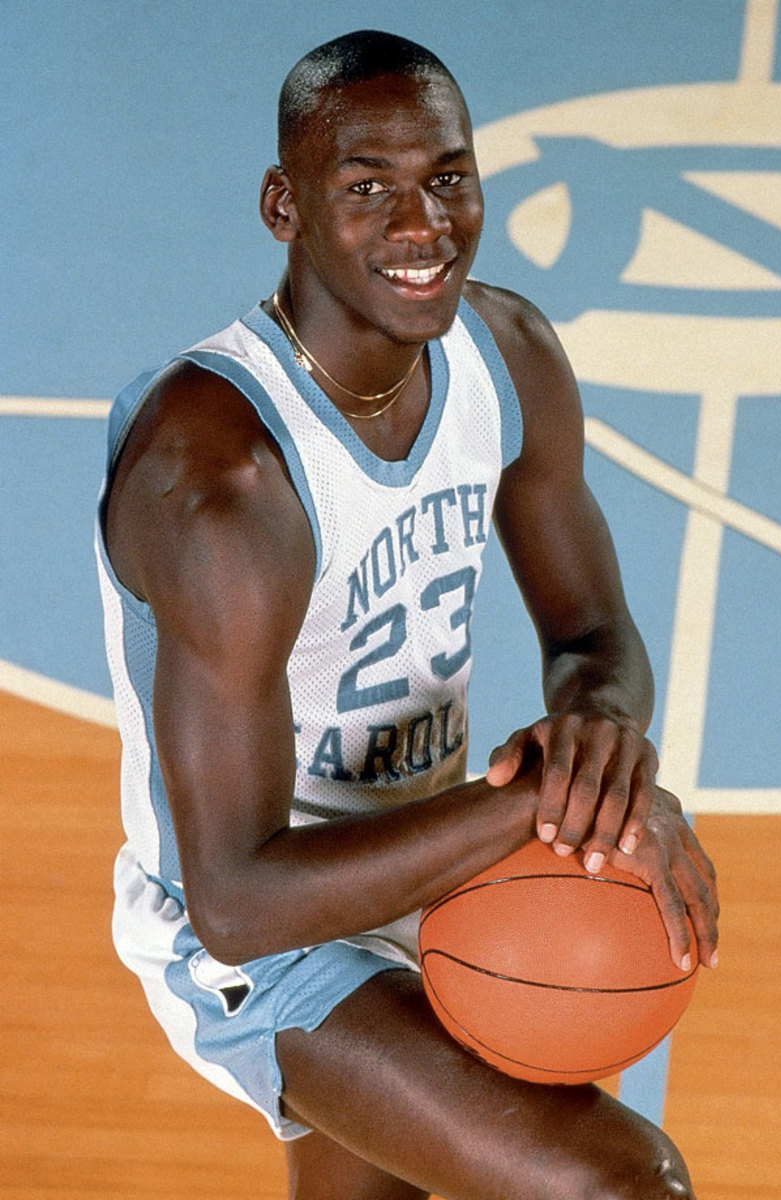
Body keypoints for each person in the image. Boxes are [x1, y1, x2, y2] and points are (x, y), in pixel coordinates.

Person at [97, 29, 719, 1200]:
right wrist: (537, 804)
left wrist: (599, 746)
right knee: (618, 1185)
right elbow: (237, 900)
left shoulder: (508, 354)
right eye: (367, 188)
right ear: (284, 205)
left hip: (431, 858)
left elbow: (594, 640)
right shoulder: (223, 484)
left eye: (446, 178)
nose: (422, 225)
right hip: (259, 932)